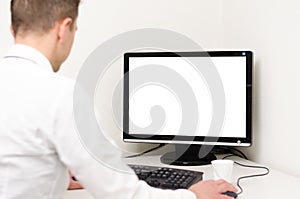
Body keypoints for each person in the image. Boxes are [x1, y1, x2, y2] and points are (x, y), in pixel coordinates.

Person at [0, 0, 237, 199]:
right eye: (75, 30)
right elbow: (123, 194)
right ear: (64, 28)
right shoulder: (61, 96)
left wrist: (57, 177)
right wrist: (193, 195)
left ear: (12, 29)